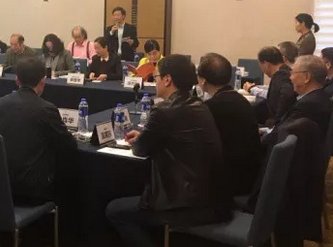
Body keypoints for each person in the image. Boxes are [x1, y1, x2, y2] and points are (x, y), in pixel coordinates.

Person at [106, 55, 230, 247]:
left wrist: (142, 139)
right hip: (214, 197)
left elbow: (140, 150)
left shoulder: (165, 111)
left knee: (115, 211)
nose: (154, 82)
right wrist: (147, 136)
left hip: (186, 203)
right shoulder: (199, 105)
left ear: (167, 79)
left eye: (155, 77)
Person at [0, 57, 77, 204]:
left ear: (17, 80)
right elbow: (69, 145)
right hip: (34, 190)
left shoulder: (0, 104)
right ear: (43, 81)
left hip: (4, 185)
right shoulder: (46, 109)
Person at [197, 53, 261, 195]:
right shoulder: (241, 100)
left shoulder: (211, 107)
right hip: (249, 176)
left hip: (227, 182)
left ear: (203, 81)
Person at [263, 55, 332, 147]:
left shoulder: (307, 105)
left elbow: (281, 135)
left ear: (306, 77)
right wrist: (265, 130)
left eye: (292, 73)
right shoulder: (320, 97)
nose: (290, 78)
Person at [244, 46, 296, 126]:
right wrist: (256, 87)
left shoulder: (281, 76)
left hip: (278, 125)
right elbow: (275, 90)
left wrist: (276, 123)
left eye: (260, 66)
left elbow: (279, 94)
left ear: (266, 64)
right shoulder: (285, 71)